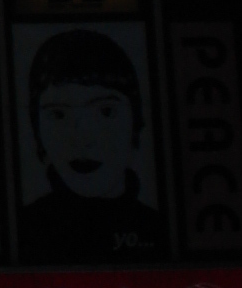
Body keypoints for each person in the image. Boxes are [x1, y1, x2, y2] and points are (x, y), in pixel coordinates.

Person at [17, 27, 161, 262]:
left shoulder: (158, 230)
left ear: (135, 120)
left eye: (105, 112)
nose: (82, 139)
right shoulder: (24, 230)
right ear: (37, 128)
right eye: (59, 115)